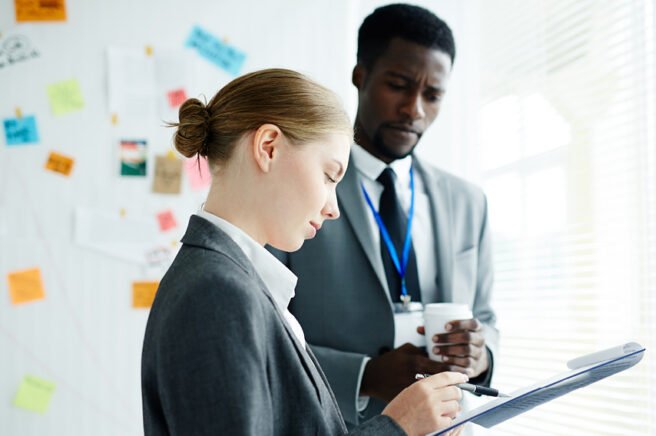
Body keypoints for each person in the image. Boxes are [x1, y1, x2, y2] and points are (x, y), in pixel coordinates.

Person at [141, 68, 468, 436]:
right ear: (268, 147)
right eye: (329, 176)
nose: (334, 208)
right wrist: (397, 428)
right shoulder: (216, 291)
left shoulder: (234, 282)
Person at [269, 3, 499, 426]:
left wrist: (482, 356)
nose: (414, 109)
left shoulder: (469, 202)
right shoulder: (297, 187)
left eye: (433, 95)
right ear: (360, 75)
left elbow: (486, 319)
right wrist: (364, 376)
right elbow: (265, 336)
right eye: (398, 85)